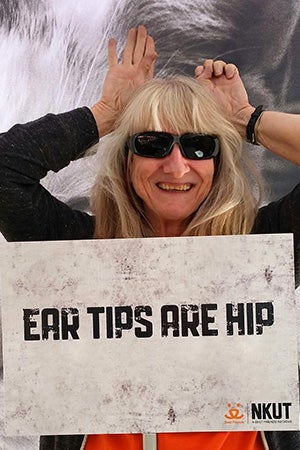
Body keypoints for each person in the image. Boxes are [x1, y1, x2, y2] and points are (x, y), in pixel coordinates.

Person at [0, 26, 299, 450]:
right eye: (152, 143)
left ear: (219, 162)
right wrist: (106, 113)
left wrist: (246, 120)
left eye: (199, 146)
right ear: (126, 160)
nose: (177, 168)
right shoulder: (75, 251)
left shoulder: (262, 250)